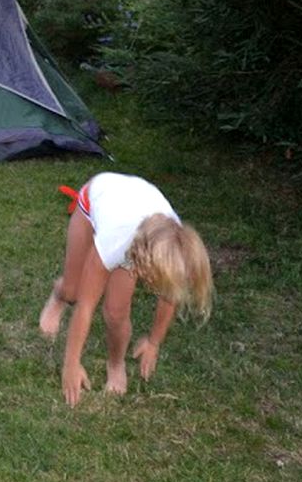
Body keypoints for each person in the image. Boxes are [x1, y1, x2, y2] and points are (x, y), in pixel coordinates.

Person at [38, 172, 214, 406]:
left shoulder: (176, 249)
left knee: (116, 313)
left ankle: (116, 362)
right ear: (142, 262)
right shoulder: (116, 242)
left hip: (136, 213)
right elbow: (86, 307)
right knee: (76, 293)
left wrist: (153, 342)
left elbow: (170, 296)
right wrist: (71, 363)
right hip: (94, 203)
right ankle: (59, 294)